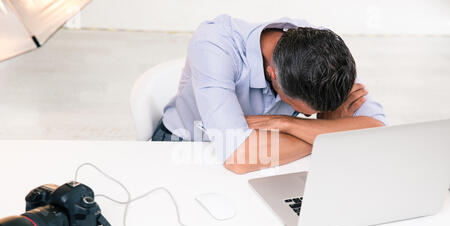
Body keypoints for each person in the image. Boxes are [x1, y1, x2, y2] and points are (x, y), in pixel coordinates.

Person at [151, 15, 386, 174]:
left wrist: (284, 123)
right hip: (187, 147)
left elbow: (376, 132)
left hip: (269, 155)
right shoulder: (214, 44)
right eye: (308, 113)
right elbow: (239, 156)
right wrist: (328, 135)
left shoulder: (319, 51)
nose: (317, 117)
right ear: (273, 75)